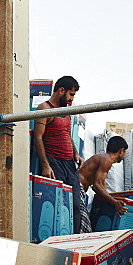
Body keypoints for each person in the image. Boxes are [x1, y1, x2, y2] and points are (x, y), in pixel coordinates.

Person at [33, 76, 86, 233]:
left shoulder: (66, 111)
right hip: (54, 163)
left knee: (76, 205)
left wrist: (76, 154)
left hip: (69, 163)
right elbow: (38, 138)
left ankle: (75, 241)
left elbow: (67, 135)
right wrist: (45, 165)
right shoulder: (44, 109)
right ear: (61, 90)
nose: (71, 99)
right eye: (71, 94)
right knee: (60, 205)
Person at [80, 135, 129, 230]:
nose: (125, 155)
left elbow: (101, 187)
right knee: (85, 229)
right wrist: (115, 203)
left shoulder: (104, 160)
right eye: (125, 152)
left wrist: (111, 202)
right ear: (121, 150)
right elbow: (97, 185)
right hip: (77, 189)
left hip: (79, 192)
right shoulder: (106, 160)